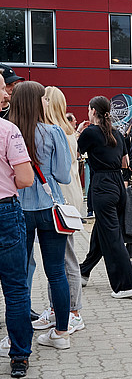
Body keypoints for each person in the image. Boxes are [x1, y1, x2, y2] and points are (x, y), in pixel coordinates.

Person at [10, 81, 72, 350]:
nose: (47, 102)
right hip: (50, 206)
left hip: (17, 208)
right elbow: (63, 175)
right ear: (37, 102)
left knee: (19, 273)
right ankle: (61, 333)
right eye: (44, 99)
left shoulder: (8, 132)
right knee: (56, 271)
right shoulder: (53, 132)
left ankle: (17, 335)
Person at [31, 86, 85, 334]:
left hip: (62, 200)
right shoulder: (60, 131)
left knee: (66, 259)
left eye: (44, 99)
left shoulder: (62, 132)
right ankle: (58, 310)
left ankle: (72, 311)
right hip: (59, 198)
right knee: (59, 261)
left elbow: (62, 173)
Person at [78, 96, 132, 299]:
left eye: (88, 109)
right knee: (102, 232)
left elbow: (75, 152)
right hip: (118, 184)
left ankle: (125, 285)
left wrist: (78, 131)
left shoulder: (90, 132)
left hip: (102, 185)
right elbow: (124, 161)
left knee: (112, 238)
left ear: (93, 111)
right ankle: (84, 271)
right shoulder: (117, 134)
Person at [0, 74, 33, 377]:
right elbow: (25, 179)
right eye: (1, 88)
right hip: (5, 212)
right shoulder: (8, 131)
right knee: (15, 290)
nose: (7, 95)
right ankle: (19, 356)